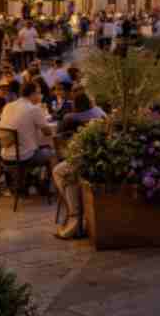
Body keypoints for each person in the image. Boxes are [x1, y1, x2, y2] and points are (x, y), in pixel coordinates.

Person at [53, 93, 107, 240]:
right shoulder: (100, 112)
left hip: (82, 160)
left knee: (59, 171)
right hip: (101, 157)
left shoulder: (69, 118)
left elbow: (58, 138)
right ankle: (76, 215)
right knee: (69, 176)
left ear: (75, 105)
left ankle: (74, 214)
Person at [0, 82, 57, 180]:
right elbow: (47, 132)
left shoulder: (8, 106)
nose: (40, 96)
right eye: (39, 93)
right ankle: (52, 184)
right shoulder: (33, 109)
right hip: (24, 157)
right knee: (52, 153)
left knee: (37, 147)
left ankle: (30, 179)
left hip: (4, 155)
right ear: (33, 94)